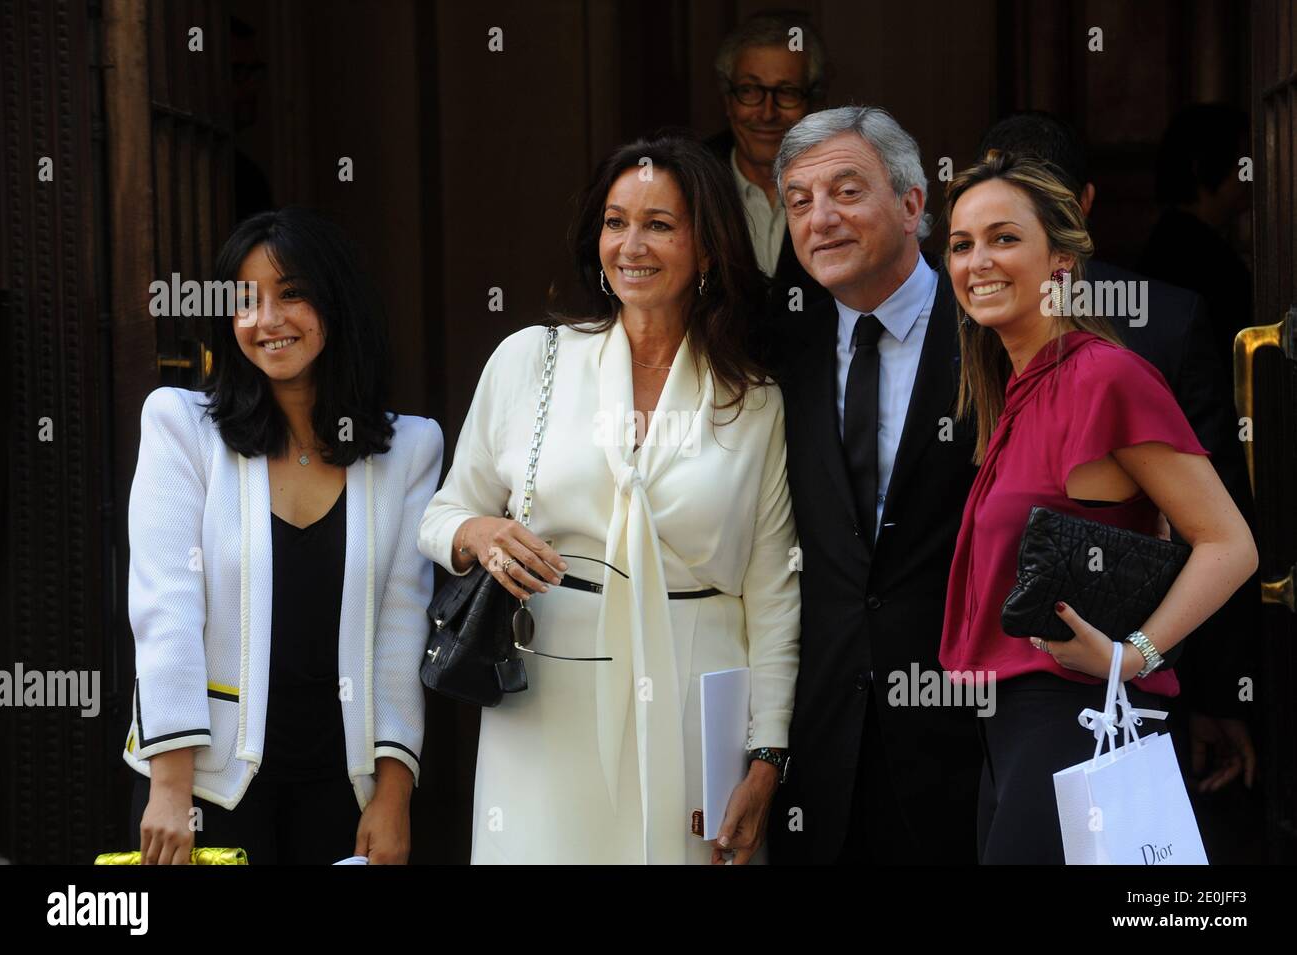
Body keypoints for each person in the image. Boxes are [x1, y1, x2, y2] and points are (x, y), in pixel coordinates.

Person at [418, 133, 799, 865]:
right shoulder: (531, 359)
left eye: (660, 224)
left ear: (709, 248)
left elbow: (774, 591)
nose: (632, 243)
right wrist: (486, 532)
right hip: (549, 680)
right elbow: (441, 517)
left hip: (697, 691)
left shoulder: (753, 401)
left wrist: (767, 754)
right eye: (616, 221)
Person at [938, 151, 1258, 864]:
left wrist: (1131, 654)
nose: (977, 260)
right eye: (961, 244)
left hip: (1077, 720)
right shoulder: (1012, 389)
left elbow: (1230, 542)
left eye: (1003, 237)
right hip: (1013, 730)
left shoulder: (1105, 376)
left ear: (1060, 260)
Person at [124, 207, 442, 864]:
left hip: (344, 789)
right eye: (245, 300)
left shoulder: (410, 447)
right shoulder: (182, 427)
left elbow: (402, 627)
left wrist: (393, 795)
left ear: (336, 302)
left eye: (291, 293)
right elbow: (167, 609)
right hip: (207, 785)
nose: (267, 319)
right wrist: (171, 787)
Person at [766, 106, 983, 864]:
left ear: (914, 204)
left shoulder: (990, 332)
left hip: (969, 741)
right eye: (799, 201)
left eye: (846, 191)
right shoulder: (775, 349)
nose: (820, 219)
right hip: (821, 747)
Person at [706, 9, 832, 353]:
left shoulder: (844, 187)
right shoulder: (691, 182)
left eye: (787, 92)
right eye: (749, 91)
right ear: (728, 101)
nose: (766, 112)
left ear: (814, 101)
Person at [1140, 103, 1253, 374]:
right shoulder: (1191, 252)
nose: (1249, 175)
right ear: (1203, 166)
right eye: (1242, 161)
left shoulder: (1180, 239)